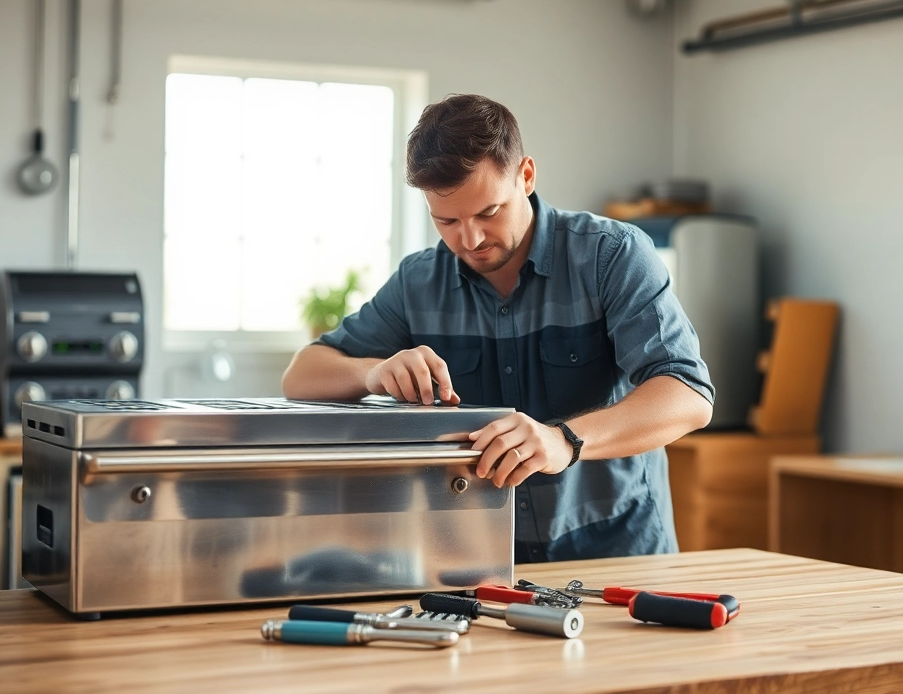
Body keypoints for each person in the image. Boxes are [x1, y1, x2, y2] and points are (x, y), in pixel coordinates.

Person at [281, 94, 713, 563]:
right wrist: (372, 373)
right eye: (446, 220)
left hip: (619, 559)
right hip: (480, 566)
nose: (469, 240)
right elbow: (302, 376)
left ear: (525, 176)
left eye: (488, 212)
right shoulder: (418, 282)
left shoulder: (613, 256)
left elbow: (688, 394)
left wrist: (563, 440)